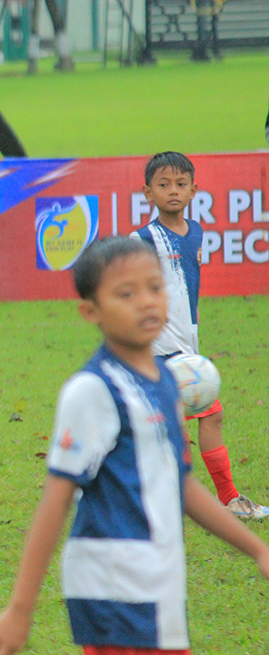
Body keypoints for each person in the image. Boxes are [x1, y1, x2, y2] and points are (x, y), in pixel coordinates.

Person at [0, 236, 269, 655]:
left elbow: (180, 484)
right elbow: (56, 500)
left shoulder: (166, 382)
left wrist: (257, 549)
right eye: (126, 293)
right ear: (91, 312)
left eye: (155, 287)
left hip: (160, 584)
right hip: (115, 590)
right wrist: (21, 610)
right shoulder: (91, 390)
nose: (147, 302)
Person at [130, 151, 268, 520]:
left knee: (188, 422)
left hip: (186, 343)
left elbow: (188, 285)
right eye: (163, 185)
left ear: (194, 190)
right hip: (158, 347)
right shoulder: (143, 238)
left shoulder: (196, 232)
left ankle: (139, 494)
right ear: (148, 193)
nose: (173, 191)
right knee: (200, 417)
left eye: (180, 184)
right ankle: (227, 499)